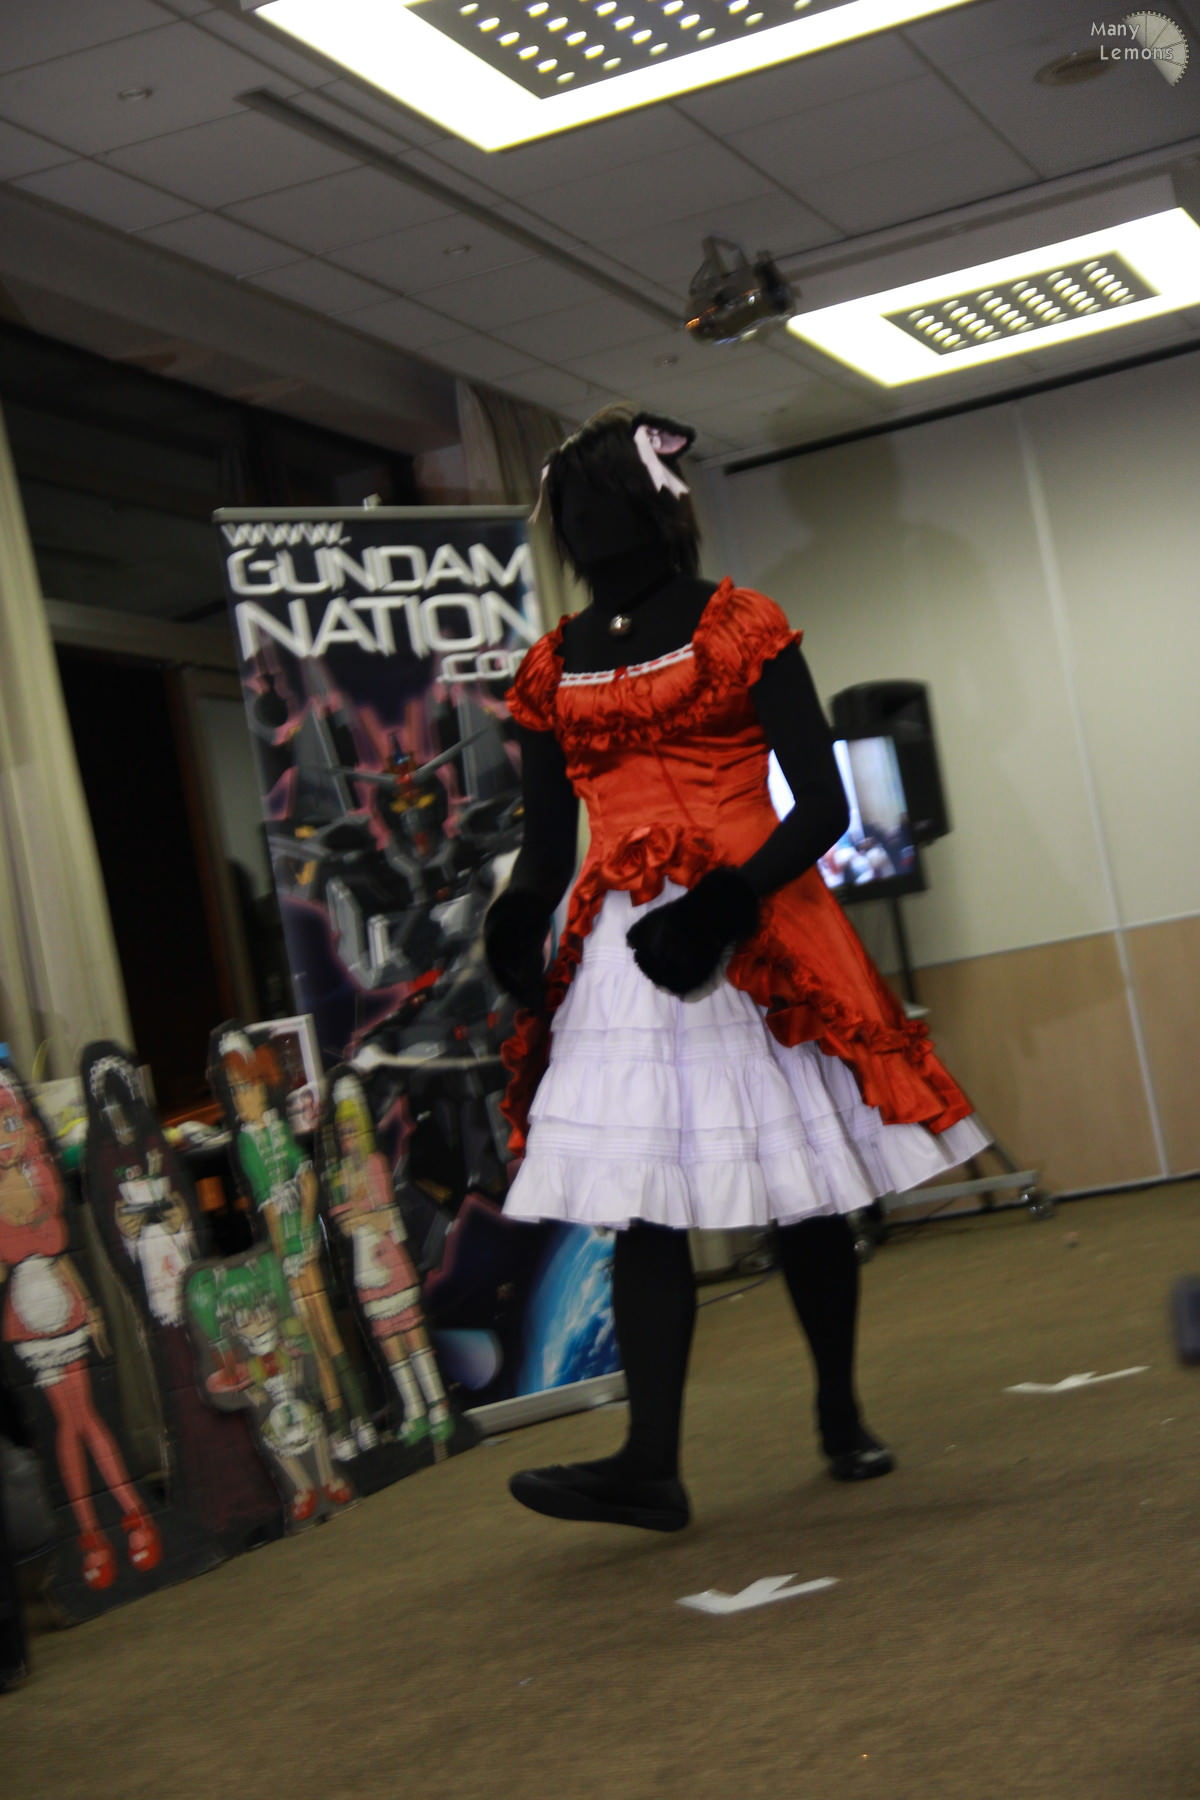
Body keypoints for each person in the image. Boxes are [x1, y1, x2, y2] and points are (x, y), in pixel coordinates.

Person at [483, 405, 988, 1533]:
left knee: (800, 1187)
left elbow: (822, 806)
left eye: (600, 497)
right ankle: (649, 1465)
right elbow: (547, 841)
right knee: (643, 1205)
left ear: (651, 504)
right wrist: (517, 917)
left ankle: (840, 1412)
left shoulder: (735, 623)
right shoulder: (551, 667)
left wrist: (720, 904)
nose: (583, 520)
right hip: (626, 950)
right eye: (570, 503)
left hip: (751, 927)